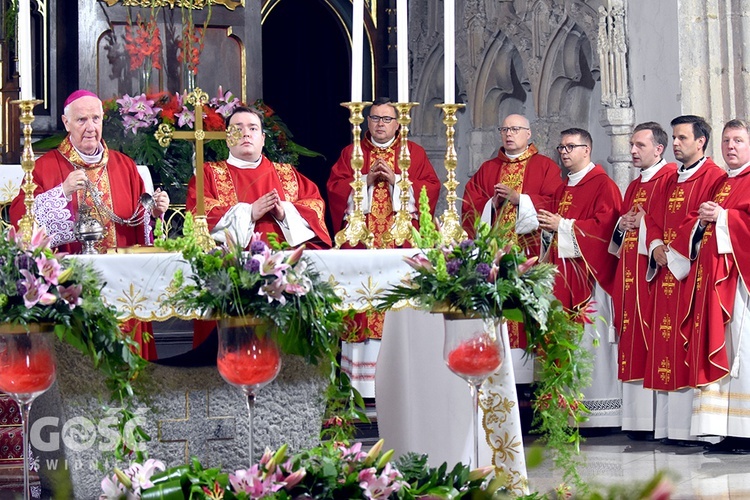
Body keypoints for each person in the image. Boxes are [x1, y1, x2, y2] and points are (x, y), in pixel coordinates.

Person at [9, 89, 170, 361]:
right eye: (82, 120)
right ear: (66, 122)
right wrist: (62, 191)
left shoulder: (124, 165)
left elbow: (138, 225)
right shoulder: (45, 167)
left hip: (123, 286)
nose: (90, 127)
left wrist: (152, 211)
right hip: (72, 289)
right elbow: (22, 221)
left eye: (96, 119)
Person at [326, 97, 441, 397]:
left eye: (386, 119)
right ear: (366, 120)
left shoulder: (412, 153)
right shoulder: (352, 152)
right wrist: (364, 181)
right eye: (375, 118)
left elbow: (432, 187)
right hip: (362, 247)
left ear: (397, 123)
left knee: (397, 307)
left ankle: (399, 387)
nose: (379, 124)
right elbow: (335, 190)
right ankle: (359, 391)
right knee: (362, 310)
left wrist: (398, 182)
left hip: (398, 248)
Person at [460, 114, 562, 388]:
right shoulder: (488, 168)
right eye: (505, 128)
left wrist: (521, 200)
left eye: (515, 129)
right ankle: (493, 373)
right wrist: (490, 205)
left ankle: (529, 382)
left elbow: (556, 203)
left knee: (526, 318)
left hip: (528, 258)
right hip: (494, 263)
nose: (509, 134)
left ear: (529, 134)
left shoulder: (545, 167)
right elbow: (469, 204)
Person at [642, 115, 725, 445]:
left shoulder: (714, 177)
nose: (675, 144)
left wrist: (673, 253)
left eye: (682, 138)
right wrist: (655, 245)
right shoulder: (667, 180)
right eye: (674, 138)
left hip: (692, 275)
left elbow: (704, 221)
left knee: (687, 341)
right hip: (665, 275)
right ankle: (670, 429)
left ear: (700, 141)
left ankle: (695, 430)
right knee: (666, 344)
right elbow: (653, 217)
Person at [671, 119, 750, 453]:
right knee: (721, 350)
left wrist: (725, 219)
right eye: (726, 140)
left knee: (742, 355)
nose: (730, 146)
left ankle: (745, 431)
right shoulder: (722, 184)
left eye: (738, 141)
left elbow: (741, 222)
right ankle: (722, 429)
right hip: (714, 284)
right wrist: (702, 222)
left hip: (740, 284)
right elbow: (696, 227)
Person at [538, 127, 623, 429]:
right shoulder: (563, 188)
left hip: (591, 282)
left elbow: (604, 231)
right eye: (561, 147)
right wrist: (551, 230)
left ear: (586, 150)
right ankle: (566, 412)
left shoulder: (604, 185)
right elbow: (557, 229)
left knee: (591, 343)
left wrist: (564, 225)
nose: (564, 152)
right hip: (563, 279)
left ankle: (598, 415)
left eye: (570, 147)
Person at [609, 122, 677, 440]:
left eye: (639, 145)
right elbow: (620, 233)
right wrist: (623, 224)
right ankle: (638, 421)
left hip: (655, 276)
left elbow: (669, 225)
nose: (633, 151)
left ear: (658, 148)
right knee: (632, 339)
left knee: (654, 340)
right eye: (632, 146)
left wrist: (645, 223)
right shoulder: (633, 187)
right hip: (629, 276)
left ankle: (657, 422)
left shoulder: (670, 179)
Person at [186, 105, 331, 250]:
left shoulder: (287, 174)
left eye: (253, 128)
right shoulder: (208, 174)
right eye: (238, 128)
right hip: (231, 266)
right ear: (227, 139)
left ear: (263, 139)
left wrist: (285, 213)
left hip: (286, 264)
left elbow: (315, 207)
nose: (246, 134)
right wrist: (249, 213)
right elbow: (200, 215)